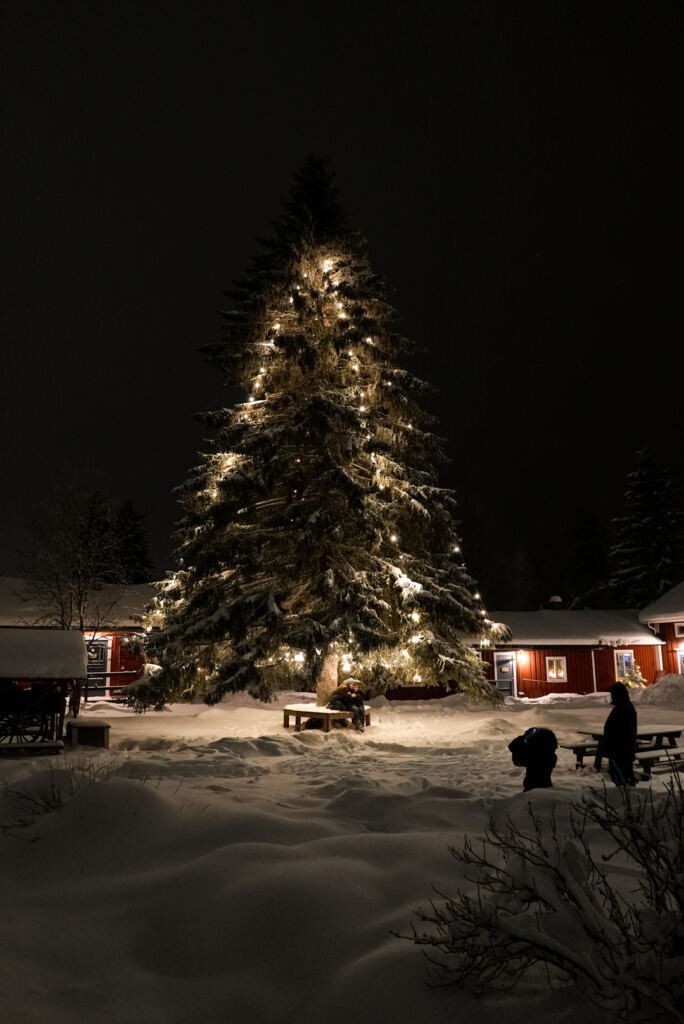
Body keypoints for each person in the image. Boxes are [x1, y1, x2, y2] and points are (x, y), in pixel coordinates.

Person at [603, 681, 637, 786]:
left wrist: (612, 743)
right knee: (619, 776)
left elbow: (622, 731)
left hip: (622, 751)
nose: (612, 697)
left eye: (613, 694)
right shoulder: (621, 708)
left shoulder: (624, 709)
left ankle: (628, 798)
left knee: (623, 777)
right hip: (618, 750)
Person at [508, 727, 558, 792]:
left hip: (532, 790)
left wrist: (524, 736)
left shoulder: (533, 755)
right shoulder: (552, 756)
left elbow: (513, 749)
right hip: (547, 787)